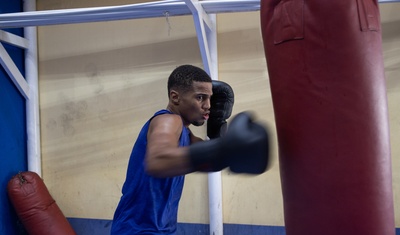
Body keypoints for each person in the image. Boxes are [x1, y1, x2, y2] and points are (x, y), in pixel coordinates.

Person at [111, 64, 269, 234]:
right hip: (137, 230)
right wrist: (224, 150)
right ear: (175, 97)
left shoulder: (185, 133)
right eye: (200, 97)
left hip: (160, 229)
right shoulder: (168, 120)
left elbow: (208, 159)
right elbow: (157, 161)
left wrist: (219, 133)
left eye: (210, 98)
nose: (208, 105)